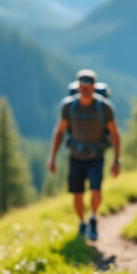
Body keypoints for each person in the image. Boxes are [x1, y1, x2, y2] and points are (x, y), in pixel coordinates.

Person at [48, 69, 121, 241]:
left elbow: (115, 134)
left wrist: (117, 160)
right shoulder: (68, 107)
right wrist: (52, 158)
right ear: (77, 86)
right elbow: (59, 132)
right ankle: (82, 222)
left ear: (94, 86)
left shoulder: (104, 108)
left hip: (96, 157)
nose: (84, 90)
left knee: (96, 190)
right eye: (82, 86)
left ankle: (93, 218)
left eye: (88, 86)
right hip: (76, 157)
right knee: (77, 194)